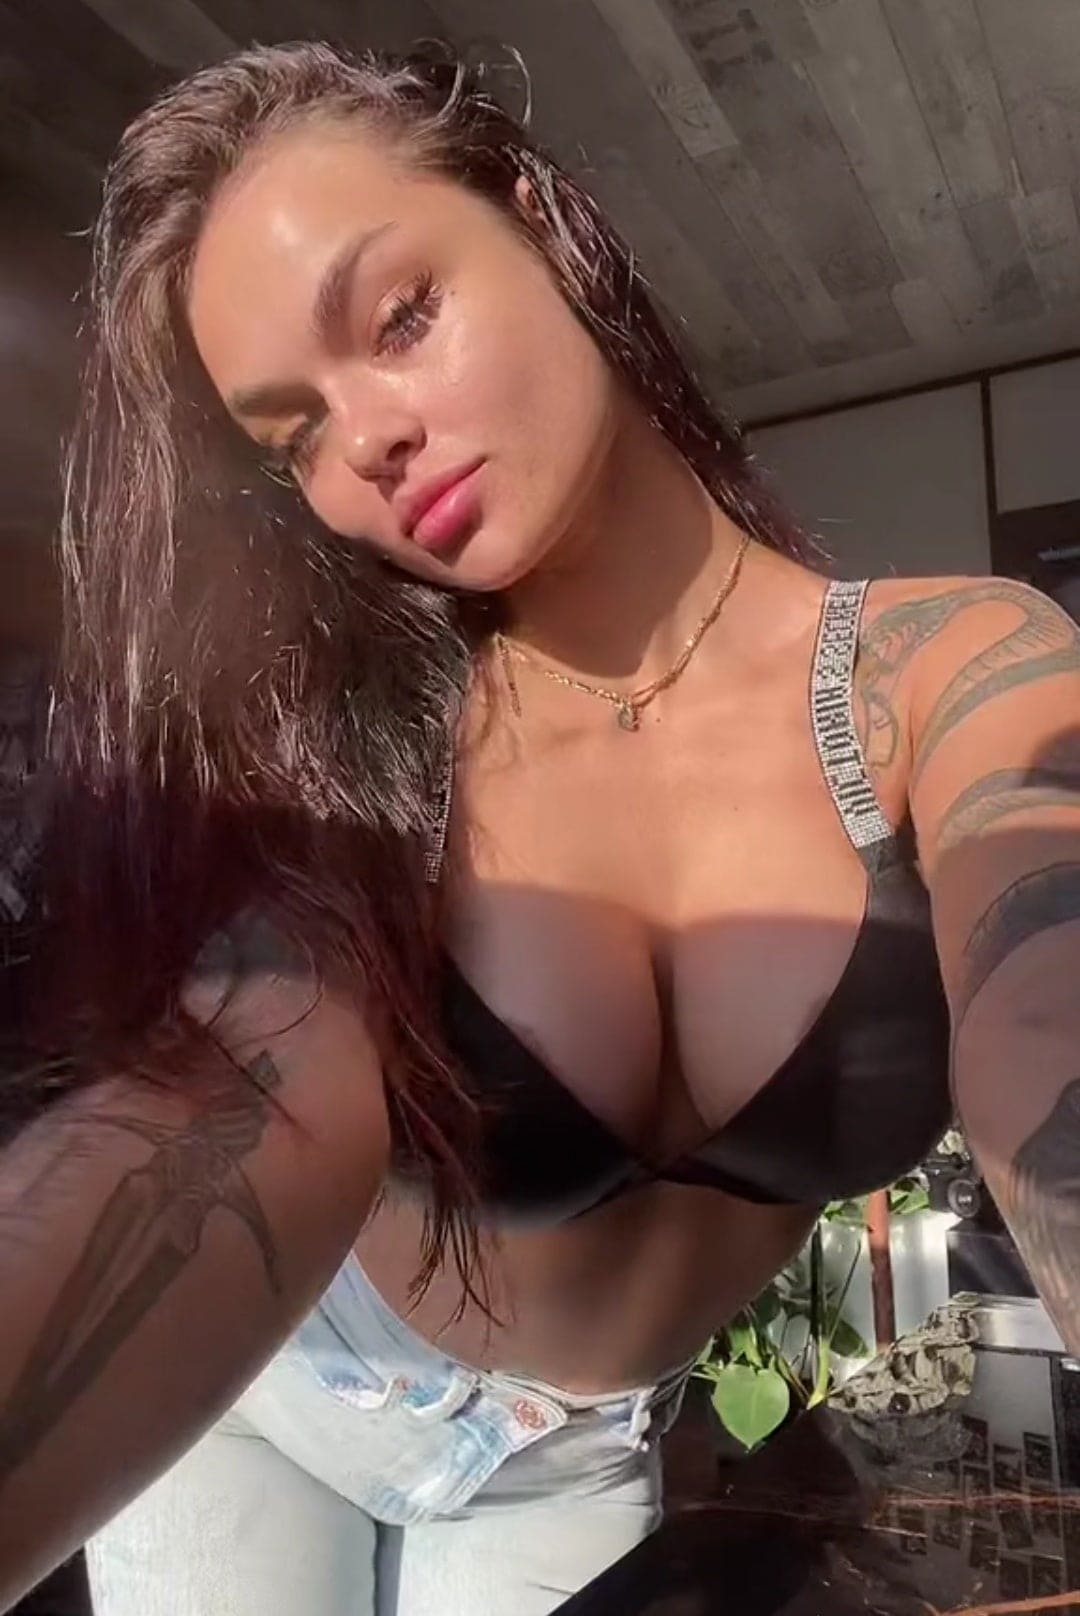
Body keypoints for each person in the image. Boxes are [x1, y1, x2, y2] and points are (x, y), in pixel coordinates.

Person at [2, 39, 1078, 1616]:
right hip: (274, 1404)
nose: (363, 442)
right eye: (293, 437)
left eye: (399, 318)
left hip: (565, 1461)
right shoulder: (362, 757)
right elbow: (233, 1102)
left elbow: (1049, 980)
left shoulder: (934, 676)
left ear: (534, 218)